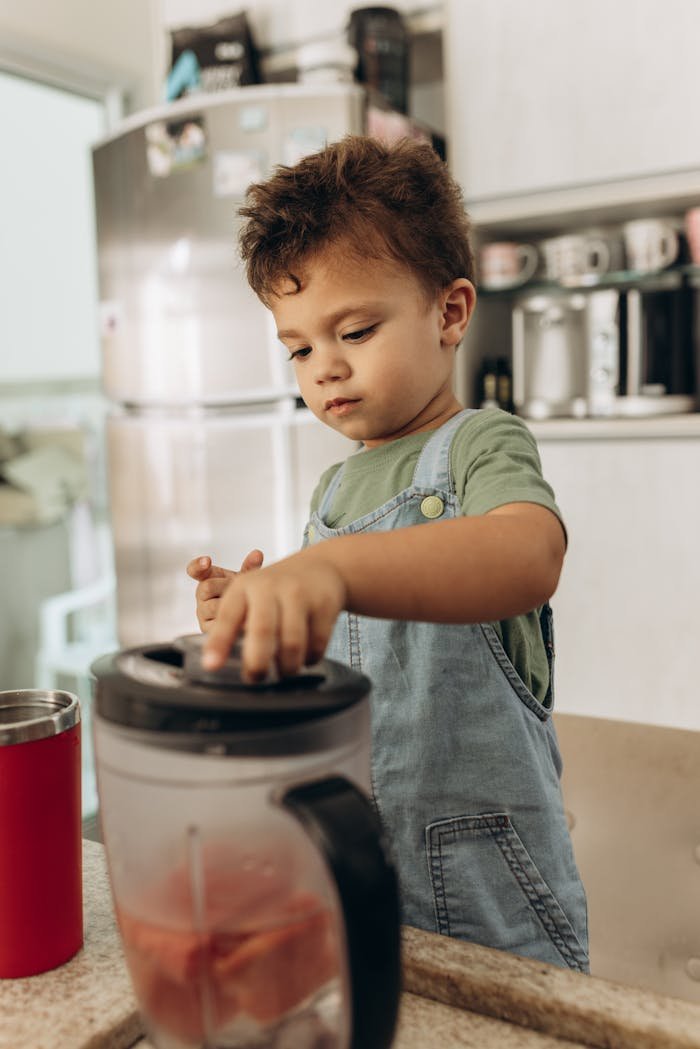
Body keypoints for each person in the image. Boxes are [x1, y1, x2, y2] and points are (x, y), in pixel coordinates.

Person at [186, 136, 589, 972]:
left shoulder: (482, 443)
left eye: (356, 329)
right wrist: (257, 608)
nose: (325, 367)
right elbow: (328, 667)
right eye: (298, 349)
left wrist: (330, 572)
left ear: (449, 312)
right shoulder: (333, 492)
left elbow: (526, 553)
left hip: (492, 890)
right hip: (355, 868)